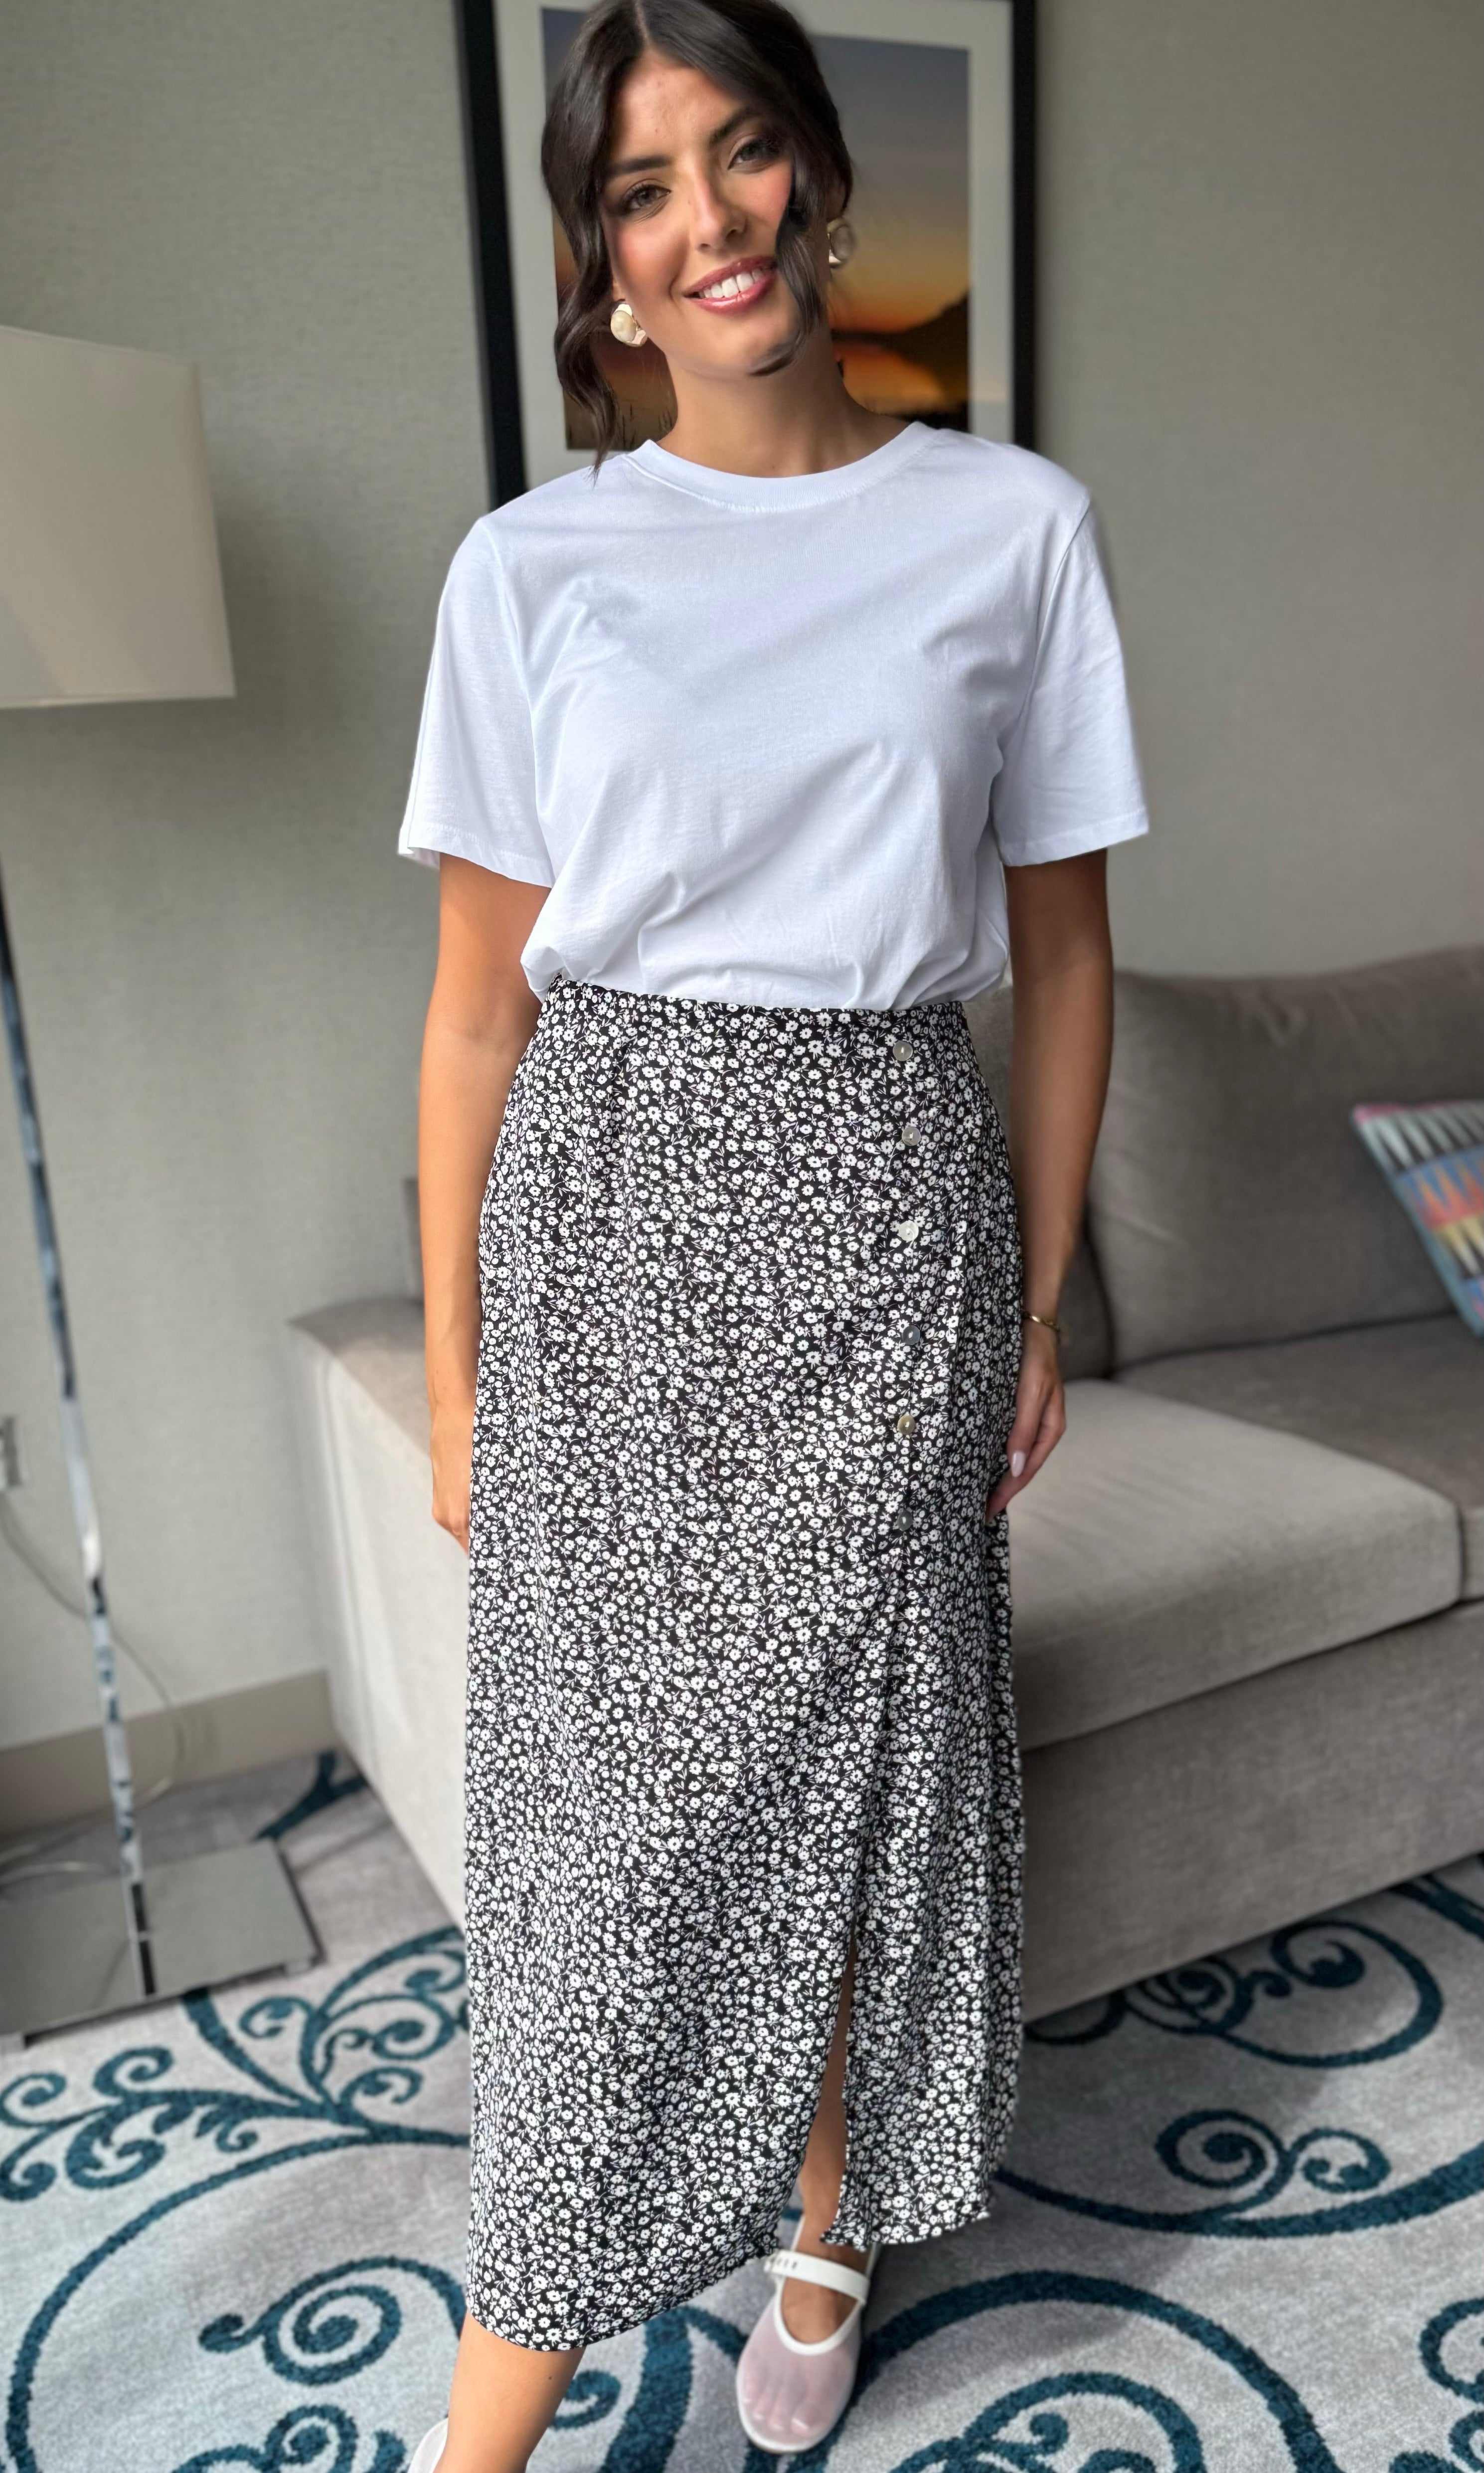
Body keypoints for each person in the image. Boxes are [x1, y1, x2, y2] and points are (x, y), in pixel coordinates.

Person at [396, 1, 1150, 2464]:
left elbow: (1062, 957)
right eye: (639, 187)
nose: (703, 219)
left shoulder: (1009, 528)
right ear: (600, 259)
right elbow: (476, 1016)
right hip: (609, 1217)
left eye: (737, 155)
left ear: (820, 180)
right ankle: (512, 2392)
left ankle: (824, 2208)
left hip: (888, 1213)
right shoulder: (529, 567)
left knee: (850, 1764)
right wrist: (457, 1370)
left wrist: (1030, 1293)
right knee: (610, 1867)